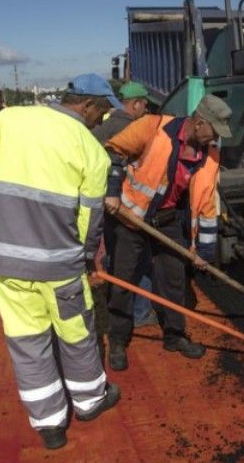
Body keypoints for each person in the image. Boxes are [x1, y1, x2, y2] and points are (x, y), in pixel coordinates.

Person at [0, 73, 124, 450]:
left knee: (27, 341)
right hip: (61, 268)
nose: (101, 120)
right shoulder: (91, 151)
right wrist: (87, 259)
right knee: (76, 335)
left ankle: (49, 424)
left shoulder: (11, 120)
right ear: (87, 105)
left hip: (10, 265)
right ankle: (89, 401)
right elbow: (90, 220)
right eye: (102, 112)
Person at [102, 95, 232, 371]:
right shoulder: (152, 127)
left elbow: (207, 207)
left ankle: (175, 336)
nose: (216, 138)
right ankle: (118, 340)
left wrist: (205, 252)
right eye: (215, 131)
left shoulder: (210, 156)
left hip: (168, 219)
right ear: (199, 123)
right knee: (123, 280)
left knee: (174, 278)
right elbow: (113, 151)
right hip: (131, 217)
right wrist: (112, 191)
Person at [90, 81, 160, 329]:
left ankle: (117, 297)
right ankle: (140, 314)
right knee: (139, 260)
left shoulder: (105, 125)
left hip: (104, 202)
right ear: (137, 104)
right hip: (123, 205)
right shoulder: (130, 128)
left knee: (115, 254)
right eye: (145, 105)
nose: (147, 111)